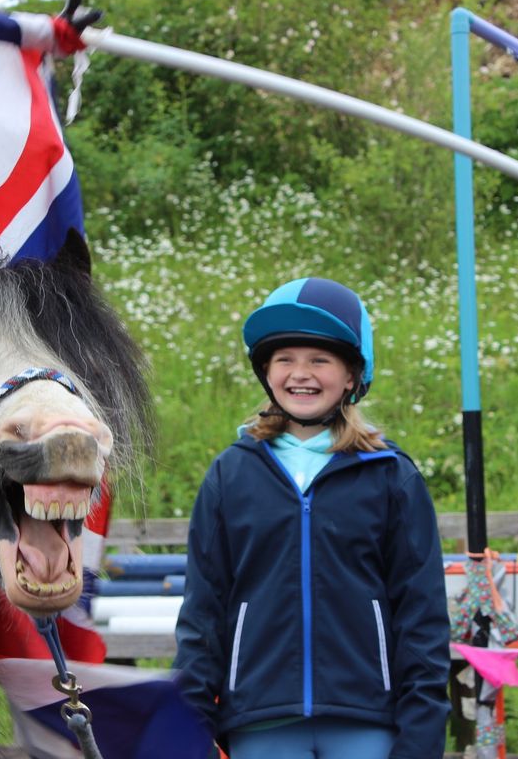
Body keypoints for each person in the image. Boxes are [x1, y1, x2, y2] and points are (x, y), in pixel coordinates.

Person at [173, 277, 450, 759]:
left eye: (319, 359)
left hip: (366, 721)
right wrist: (191, 724)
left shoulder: (391, 477)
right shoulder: (231, 474)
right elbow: (203, 611)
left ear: (351, 376)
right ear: (266, 372)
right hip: (261, 721)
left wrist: (422, 732)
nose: (300, 373)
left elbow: (422, 616)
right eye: (285, 359)